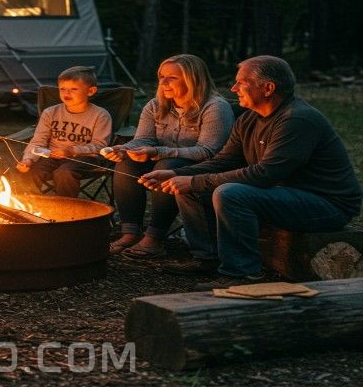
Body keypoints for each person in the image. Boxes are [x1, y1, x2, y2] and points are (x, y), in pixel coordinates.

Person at [141, 55, 362, 288]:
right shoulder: (249, 119)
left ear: (268, 88)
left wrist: (194, 181)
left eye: (241, 82)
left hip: (325, 205)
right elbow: (224, 161)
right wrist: (178, 175)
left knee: (230, 193)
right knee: (190, 186)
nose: (234, 88)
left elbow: (264, 174)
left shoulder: (297, 120)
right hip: (283, 195)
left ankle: (242, 273)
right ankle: (207, 257)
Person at [102, 54, 234, 261]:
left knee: (166, 164)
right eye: (161, 76)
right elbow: (143, 139)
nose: (163, 83)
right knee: (126, 163)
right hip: (162, 159)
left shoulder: (215, 107)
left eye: (172, 78)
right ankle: (130, 232)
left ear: (193, 79)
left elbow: (209, 151)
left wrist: (158, 152)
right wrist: (124, 148)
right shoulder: (156, 105)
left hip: (201, 166)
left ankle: (155, 237)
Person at [16, 66, 112, 198]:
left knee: (64, 173)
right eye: (62, 89)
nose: (66, 93)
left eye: (73, 89)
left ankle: (66, 210)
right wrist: (28, 159)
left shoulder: (100, 115)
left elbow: (100, 145)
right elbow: (38, 141)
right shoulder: (50, 112)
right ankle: (28, 207)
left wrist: (71, 151)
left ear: (91, 91)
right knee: (31, 171)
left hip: (85, 158)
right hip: (52, 156)